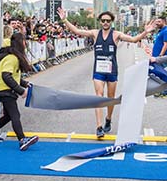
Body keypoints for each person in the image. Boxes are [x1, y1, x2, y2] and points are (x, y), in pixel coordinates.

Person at [57, 7, 155, 138]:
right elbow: (77, 31)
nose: (105, 23)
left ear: (111, 22)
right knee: (98, 97)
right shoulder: (94, 33)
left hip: (112, 71)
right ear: (100, 22)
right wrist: (65, 20)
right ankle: (98, 127)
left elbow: (133, 40)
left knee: (110, 98)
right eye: (103, 20)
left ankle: (108, 119)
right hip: (98, 70)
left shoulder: (116, 35)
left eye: (108, 21)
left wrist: (145, 32)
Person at [0, 33, 39, 151]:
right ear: (20, 43)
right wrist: (20, 90)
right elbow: (6, 76)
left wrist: (24, 83)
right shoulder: (12, 58)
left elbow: (14, 76)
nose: (26, 43)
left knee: (8, 116)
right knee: (15, 115)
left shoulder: (12, 57)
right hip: (4, 90)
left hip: (2, 89)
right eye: (24, 41)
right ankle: (22, 140)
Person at [153, 16, 167, 98]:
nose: (157, 23)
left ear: (164, 22)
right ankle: (160, 91)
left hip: (162, 57)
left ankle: (164, 92)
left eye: (159, 21)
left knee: (163, 74)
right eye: (156, 22)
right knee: (159, 75)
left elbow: (166, 44)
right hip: (156, 57)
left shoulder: (166, 31)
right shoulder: (160, 31)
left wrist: (161, 55)